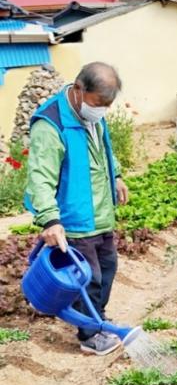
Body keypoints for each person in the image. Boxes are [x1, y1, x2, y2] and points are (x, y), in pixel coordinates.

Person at [24, 62, 128, 356]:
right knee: (88, 277)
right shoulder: (51, 123)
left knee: (107, 269)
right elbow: (40, 177)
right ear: (79, 89)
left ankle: (98, 319)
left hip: (100, 213)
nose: (102, 110)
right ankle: (90, 336)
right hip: (74, 218)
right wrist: (49, 220)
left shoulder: (93, 115)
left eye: (107, 105)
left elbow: (103, 148)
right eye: (98, 103)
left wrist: (116, 175)